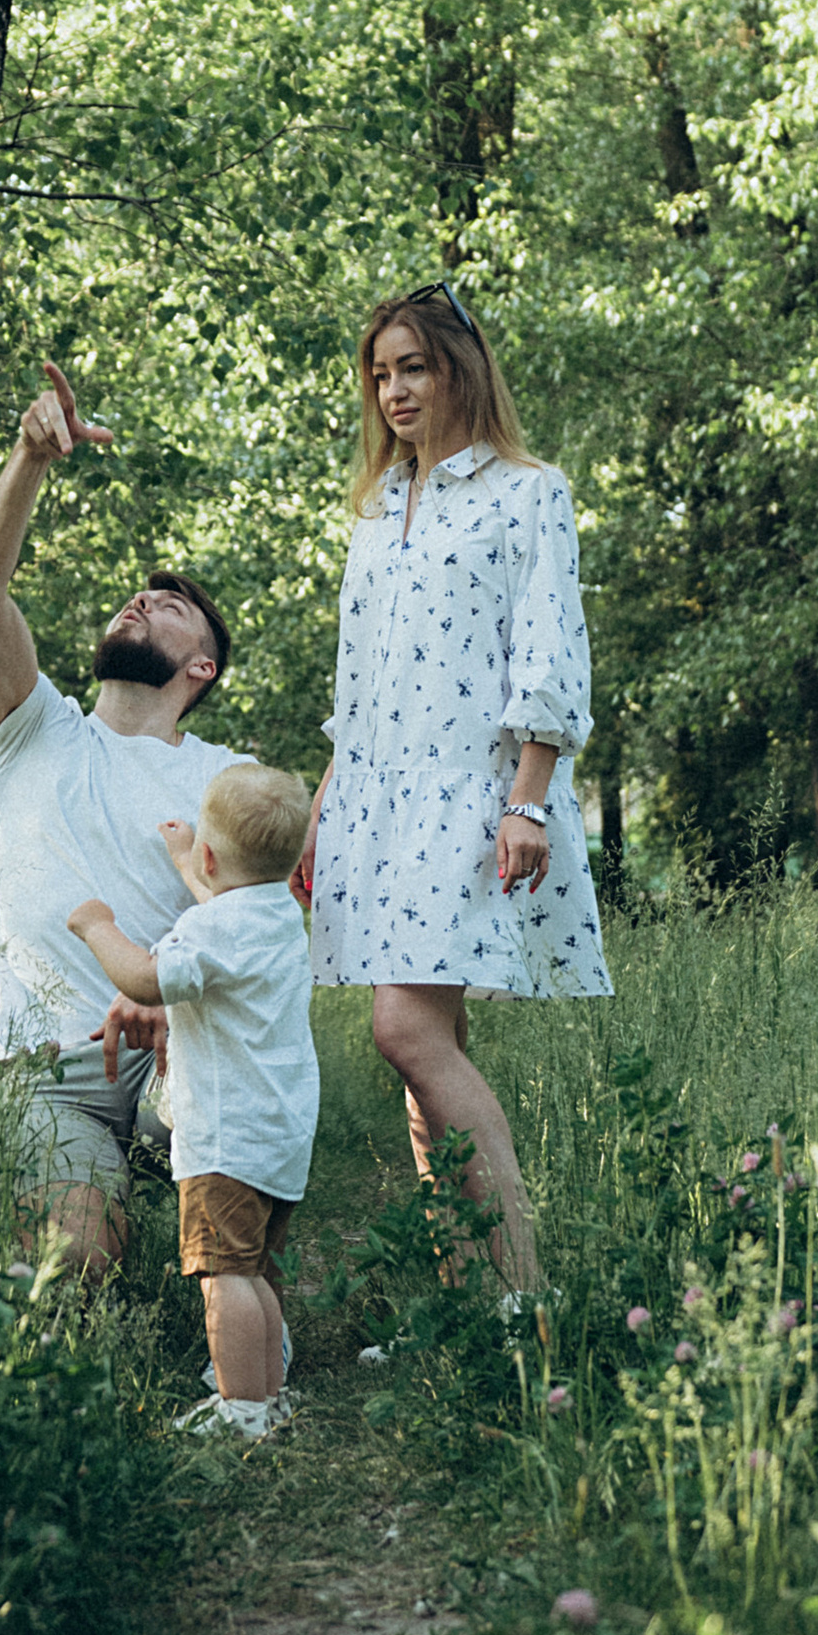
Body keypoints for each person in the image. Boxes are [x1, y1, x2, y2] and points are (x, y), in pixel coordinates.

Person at [300, 281, 609, 1300]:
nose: (394, 390)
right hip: (375, 801)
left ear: (459, 371)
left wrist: (527, 799)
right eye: (380, 373)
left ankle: (521, 1291)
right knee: (424, 1049)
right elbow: (358, 680)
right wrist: (325, 808)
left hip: (472, 795)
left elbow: (549, 649)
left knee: (405, 1031)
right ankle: (465, 1295)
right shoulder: (376, 506)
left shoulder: (527, 490)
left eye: (414, 368)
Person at [0, 356, 245, 1281]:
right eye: (140, 596)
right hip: (52, 1070)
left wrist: (176, 994)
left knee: (228, 1240)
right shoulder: (34, 727)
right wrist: (30, 458)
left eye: (172, 607)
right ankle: (106, 1200)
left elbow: (260, 920)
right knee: (81, 1262)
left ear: (201, 669)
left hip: (181, 1056)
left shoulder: (226, 776)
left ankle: (235, 1287)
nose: (142, 600)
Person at [70, 760, 319, 1442]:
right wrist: (188, 859)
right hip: (280, 1131)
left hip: (225, 1136)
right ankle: (267, 1396)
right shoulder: (277, 914)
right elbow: (224, 905)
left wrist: (97, 926)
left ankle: (241, 1407)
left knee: (222, 1276)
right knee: (254, 1272)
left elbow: (147, 980)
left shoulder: (209, 930)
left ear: (211, 858)